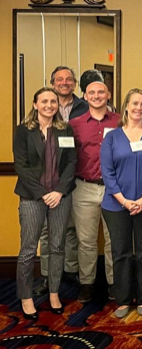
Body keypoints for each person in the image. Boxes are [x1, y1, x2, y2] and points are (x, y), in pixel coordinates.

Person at [100, 89, 142, 318]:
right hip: (116, 205)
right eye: (135, 103)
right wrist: (124, 201)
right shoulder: (112, 137)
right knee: (121, 251)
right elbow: (107, 172)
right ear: (126, 106)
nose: (139, 108)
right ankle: (123, 299)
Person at [13, 87, 77, 319]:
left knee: (58, 246)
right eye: (44, 101)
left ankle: (54, 293)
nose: (49, 105)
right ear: (35, 104)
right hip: (32, 197)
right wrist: (43, 194)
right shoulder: (23, 131)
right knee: (29, 249)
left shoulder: (65, 129)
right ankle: (26, 296)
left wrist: (59, 191)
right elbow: (21, 166)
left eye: (53, 101)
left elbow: (71, 163)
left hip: (61, 197)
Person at [68, 81, 120, 303]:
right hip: (84, 188)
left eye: (101, 92)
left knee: (113, 239)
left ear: (108, 95)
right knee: (86, 240)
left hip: (114, 188)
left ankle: (114, 283)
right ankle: (87, 283)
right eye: (92, 92)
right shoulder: (74, 124)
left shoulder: (121, 121)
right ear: (85, 96)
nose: (97, 96)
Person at [35, 66, 83, 296]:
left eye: (69, 79)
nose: (64, 82)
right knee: (46, 232)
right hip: (45, 182)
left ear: (75, 83)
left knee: (71, 228)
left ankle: (71, 270)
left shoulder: (85, 107)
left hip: (75, 179)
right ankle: (47, 274)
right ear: (53, 83)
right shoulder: (43, 107)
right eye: (60, 79)